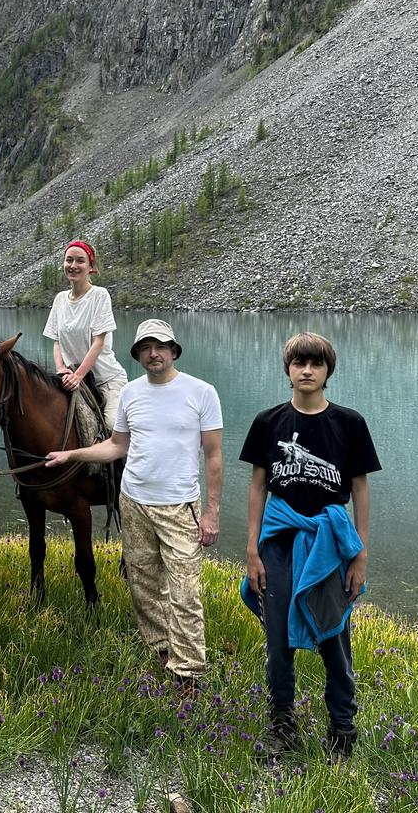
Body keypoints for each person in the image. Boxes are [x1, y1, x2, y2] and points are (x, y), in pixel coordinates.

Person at [45, 319, 223, 688]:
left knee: (185, 593)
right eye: (145, 347)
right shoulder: (130, 393)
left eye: (160, 346)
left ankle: (188, 673)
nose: (153, 353)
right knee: (143, 585)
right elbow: (117, 446)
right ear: (138, 354)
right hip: (134, 503)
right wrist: (71, 455)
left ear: (173, 351)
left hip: (180, 507)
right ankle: (161, 653)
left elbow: (214, 456)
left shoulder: (201, 392)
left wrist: (211, 513)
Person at [238, 332, 380, 762]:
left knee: (334, 634)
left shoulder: (349, 423)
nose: (306, 370)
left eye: (315, 364)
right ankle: (282, 723)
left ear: (327, 371)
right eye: (298, 363)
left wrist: (360, 553)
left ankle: (342, 726)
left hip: (330, 544)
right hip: (279, 542)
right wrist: (251, 550)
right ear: (287, 369)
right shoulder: (269, 422)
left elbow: (359, 488)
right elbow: (258, 487)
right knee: (277, 635)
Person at [44, 239, 128, 431]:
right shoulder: (59, 300)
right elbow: (56, 341)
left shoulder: (100, 295)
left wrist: (78, 376)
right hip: (69, 377)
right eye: (69, 260)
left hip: (105, 380)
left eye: (80, 261)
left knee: (113, 425)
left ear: (91, 266)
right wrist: (60, 369)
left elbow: (98, 342)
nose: (73, 266)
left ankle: (128, 461)